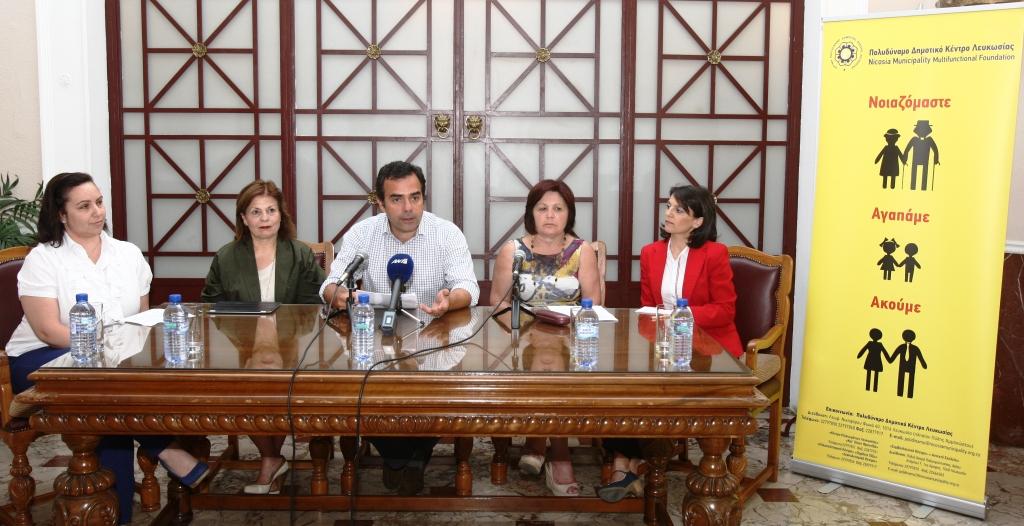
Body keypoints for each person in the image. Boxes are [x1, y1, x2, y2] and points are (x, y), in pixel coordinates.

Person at [5, 172, 208, 524]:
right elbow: (48, 330)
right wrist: (108, 351)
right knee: (107, 390)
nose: (98, 212)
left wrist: (117, 353)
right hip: (41, 360)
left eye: (99, 202)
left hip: (111, 363)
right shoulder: (44, 259)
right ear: (61, 214)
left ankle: (118, 514)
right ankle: (164, 449)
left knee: (111, 398)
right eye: (84, 206)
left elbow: (139, 320)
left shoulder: (127, 254)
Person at [321, 160, 479, 495]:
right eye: (396, 199)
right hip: (378, 342)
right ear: (380, 202)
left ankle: (403, 459)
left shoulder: (446, 233)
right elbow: (331, 284)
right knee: (366, 392)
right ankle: (405, 457)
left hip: (433, 338)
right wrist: (341, 295)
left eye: (415, 197)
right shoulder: (363, 233)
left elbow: (469, 287)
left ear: (423, 197)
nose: (408, 208)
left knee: (439, 394)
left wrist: (449, 300)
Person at [599, 184, 742, 503]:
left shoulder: (714, 254)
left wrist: (683, 315)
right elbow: (649, 306)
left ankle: (631, 466)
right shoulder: (651, 252)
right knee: (624, 387)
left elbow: (725, 309)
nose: (669, 214)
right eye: (668, 206)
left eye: (679, 209)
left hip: (709, 349)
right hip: (663, 345)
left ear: (698, 221)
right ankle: (628, 464)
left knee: (659, 393)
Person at [200, 180, 324, 494]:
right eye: (256, 212)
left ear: (281, 215)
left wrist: (285, 336)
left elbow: (314, 304)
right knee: (237, 390)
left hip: (293, 345)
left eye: (271, 210)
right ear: (243, 218)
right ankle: (272, 457)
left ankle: (270, 460)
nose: (265, 218)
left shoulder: (299, 254)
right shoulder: (227, 257)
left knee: (281, 383)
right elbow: (211, 305)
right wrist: (245, 337)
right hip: (240, 347)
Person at [489, 179, 601, 496]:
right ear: (531, 213)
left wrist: (565, 337)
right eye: (542, 208)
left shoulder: (582, 252)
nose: (550, 215)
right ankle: (552, 449)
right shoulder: (512, 251)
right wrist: (523, 337)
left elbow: (594, 305)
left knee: (555, 363)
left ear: (569, 214)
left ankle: (544, 445)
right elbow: (498, 305)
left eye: (558, 208)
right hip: (523, 342)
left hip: (570, 341)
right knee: (541, 361)